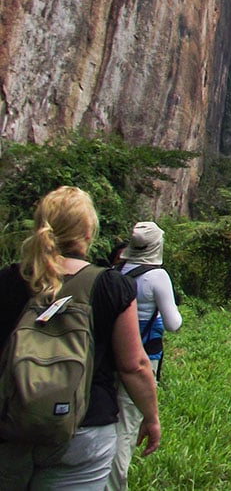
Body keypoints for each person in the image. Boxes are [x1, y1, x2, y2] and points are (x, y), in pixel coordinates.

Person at [0, 186, 160, 490]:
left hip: (11, 424)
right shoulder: (111, 285)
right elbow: (134, 366)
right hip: (85, 429)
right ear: (88, 232)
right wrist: (150, 417)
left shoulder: (8, 280)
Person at [106, 221, 181, 491]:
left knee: (106, 424)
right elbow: (173, 324)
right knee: (125, 429)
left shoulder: (114, 271)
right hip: (141, 360)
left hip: (107, 359)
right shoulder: (157, 277)